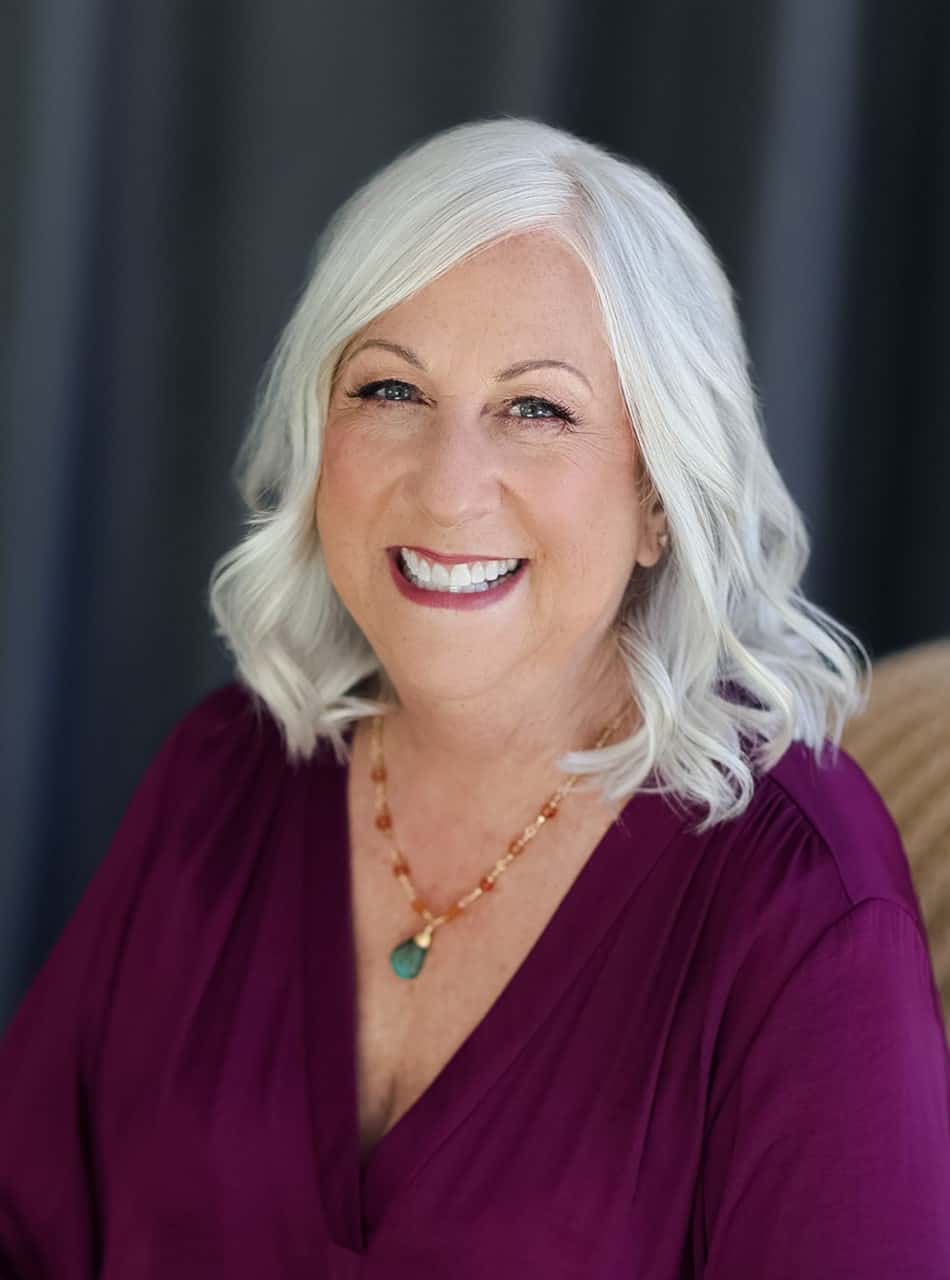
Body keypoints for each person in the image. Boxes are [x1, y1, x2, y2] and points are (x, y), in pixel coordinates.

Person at [1, 116, 948, 1278]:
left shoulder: (801, 901)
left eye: (535, 408)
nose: (448, 489)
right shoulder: (223, 777)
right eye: (390, 388)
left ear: (658, 499)